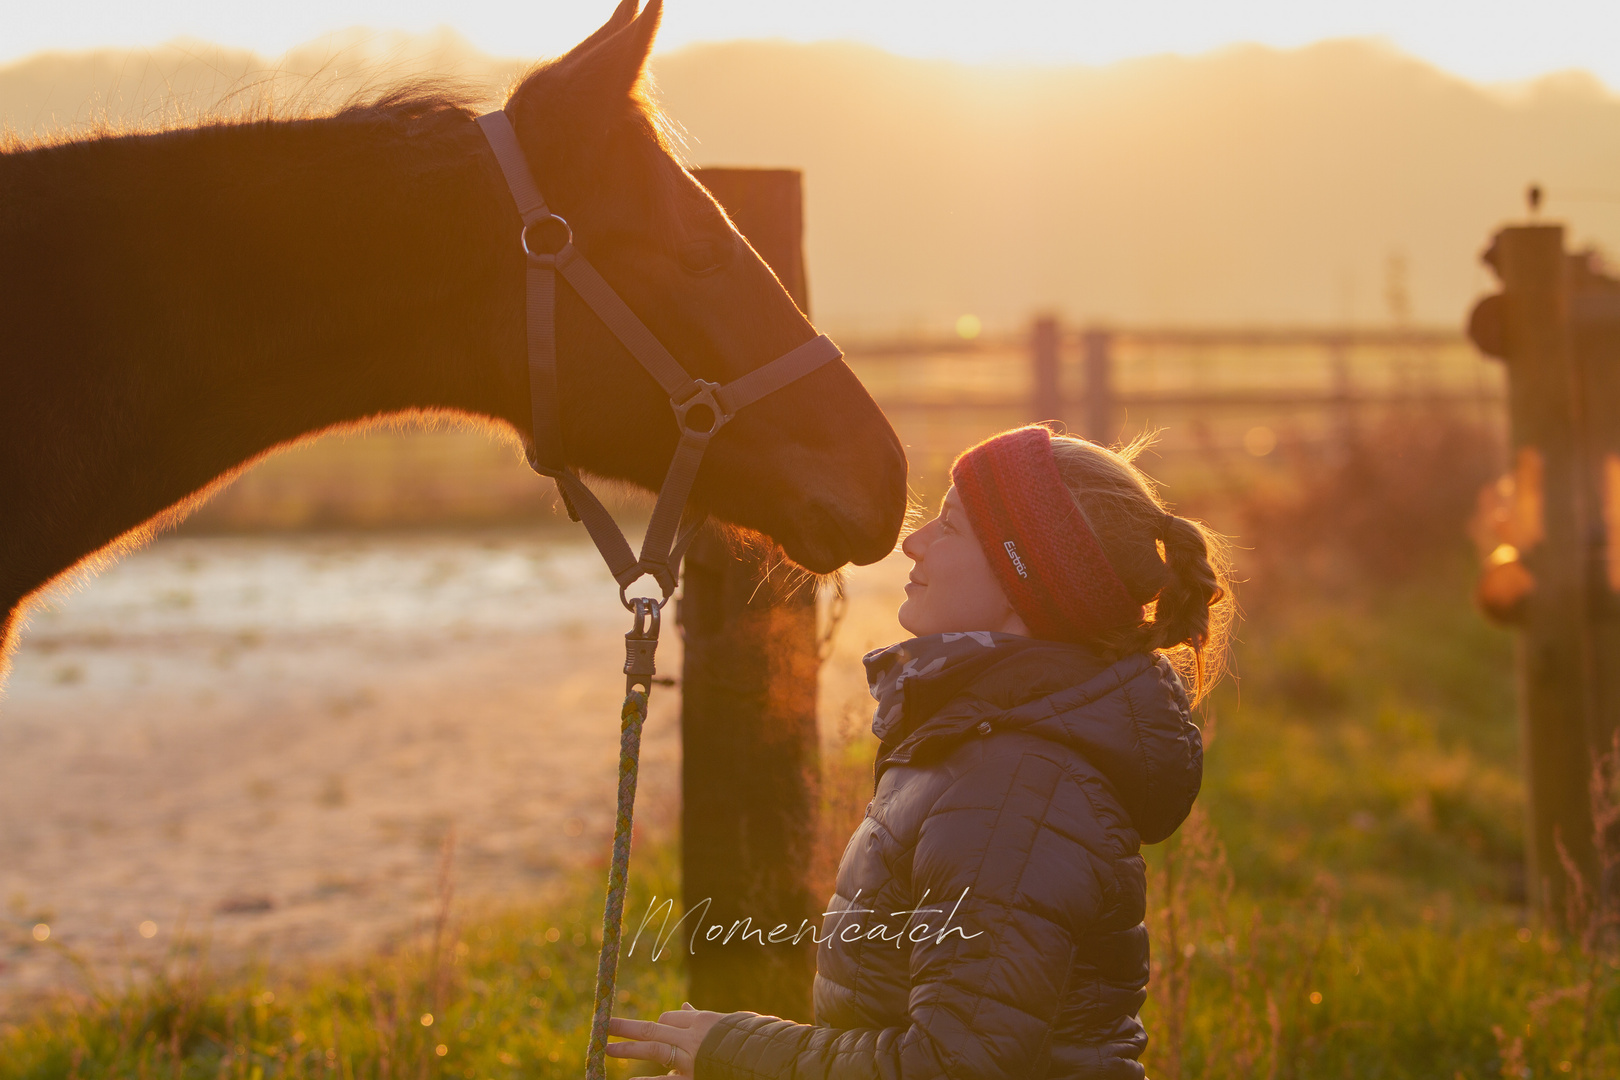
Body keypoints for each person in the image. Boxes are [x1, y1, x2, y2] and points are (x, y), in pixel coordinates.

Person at [607, 423, 1233, 1079]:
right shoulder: (985, 743)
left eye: (951, 527)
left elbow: (949, 1065)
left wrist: (734, 1051)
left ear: (1022, 579)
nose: (914, 542)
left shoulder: (1014, 792)